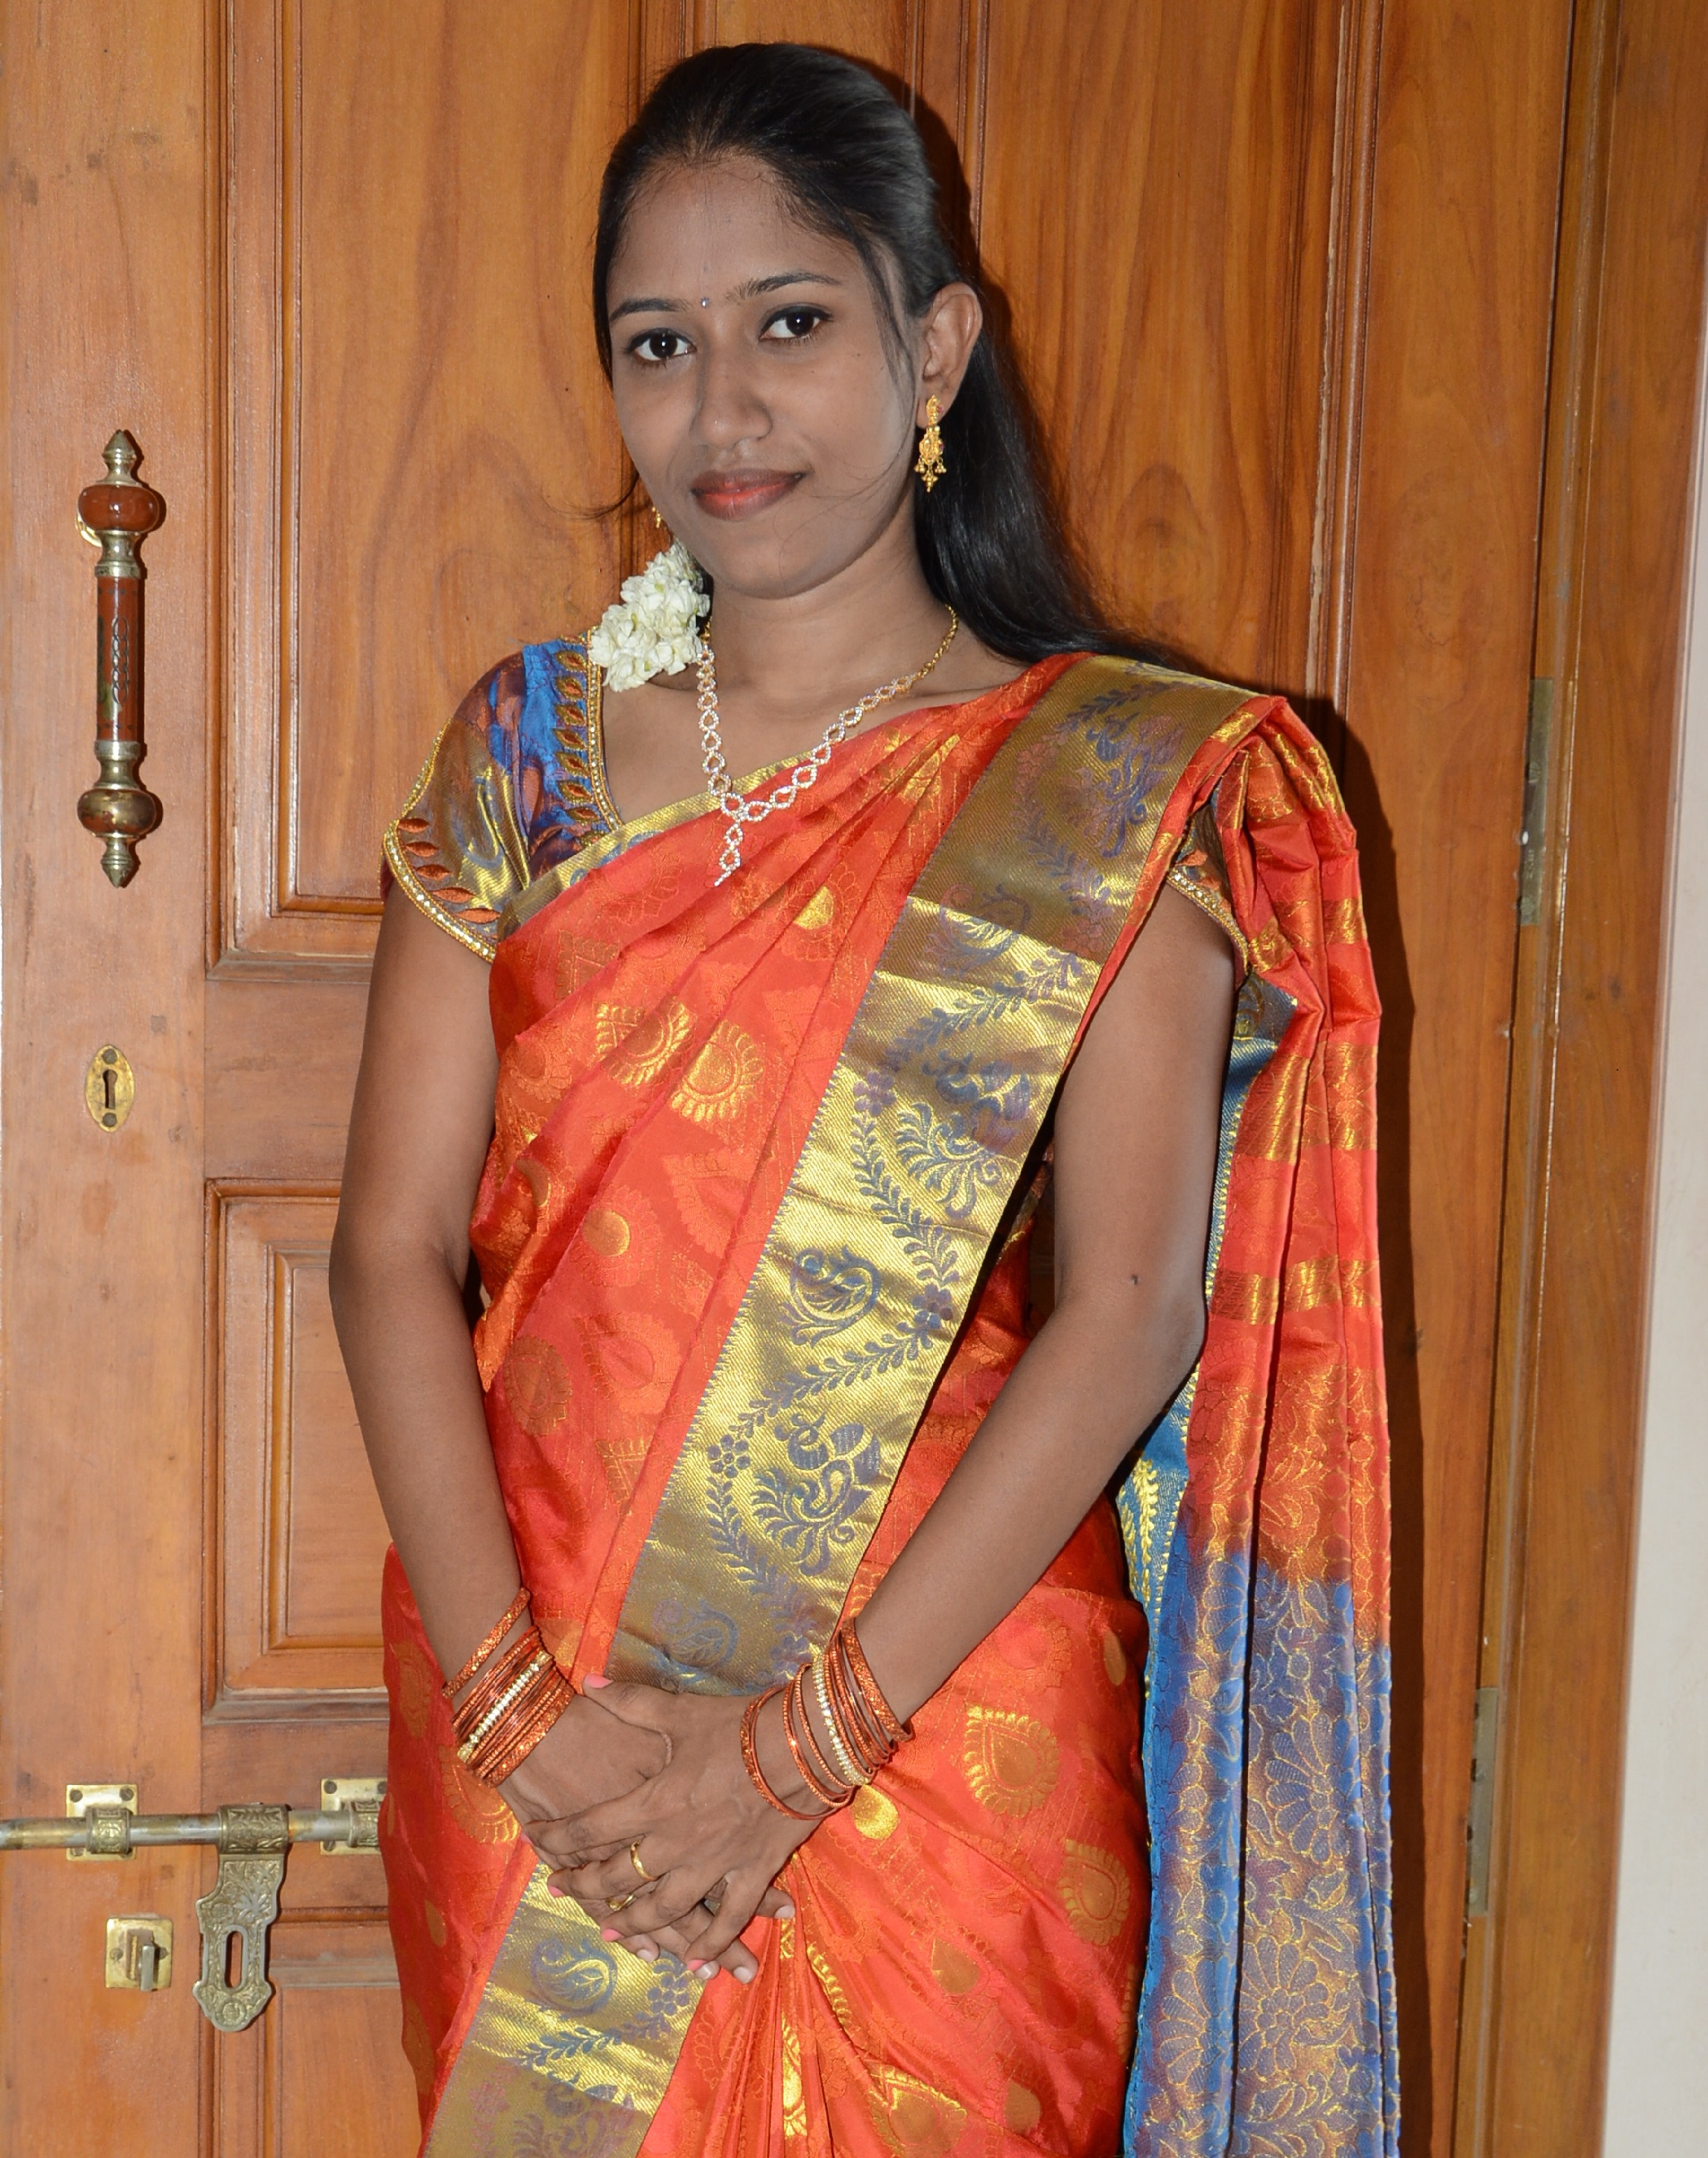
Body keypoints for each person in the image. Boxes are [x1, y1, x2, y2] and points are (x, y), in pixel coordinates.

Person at [330, 42, 1396, 2158]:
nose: (722, 411)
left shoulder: (1107, 784)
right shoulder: (527, 755)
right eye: (660, 345)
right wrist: (517, 1709)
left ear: (934, 349)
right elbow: (384, 1249)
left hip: (943, 1723)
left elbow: (1129, 1314)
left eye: (792, 324)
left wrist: (799, 1752)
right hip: (544, 1698)